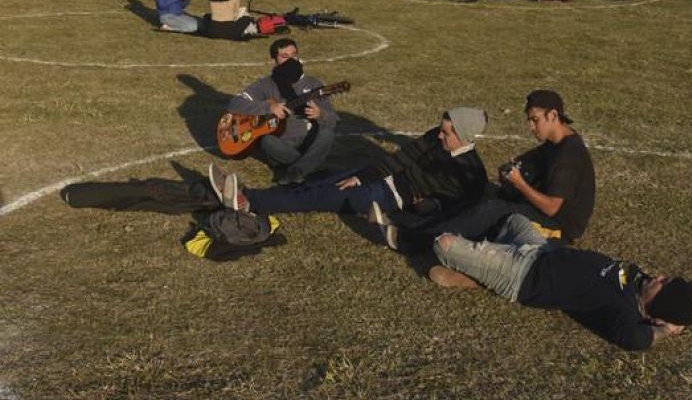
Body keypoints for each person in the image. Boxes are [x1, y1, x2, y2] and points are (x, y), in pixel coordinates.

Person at [428, 213, 692, 350]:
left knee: (444, 243)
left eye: (663, 284)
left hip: (521, 275)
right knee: (514, 219)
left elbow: (634, 340)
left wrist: (665, 330)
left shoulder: (622, 310)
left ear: (657, 305)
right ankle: (482, 265)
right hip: (542, 250)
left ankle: (476, 274)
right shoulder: (640, 282)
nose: (659, 277)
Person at [374, 89, 595, 250]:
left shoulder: (568, 155)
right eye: (529, 120)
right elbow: (529, 160)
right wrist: (512, 170)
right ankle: (403, 221)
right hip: (538, 211)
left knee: (490, 210)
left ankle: (409, 240)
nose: (530, 127)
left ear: (553, 116)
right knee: (478, 201)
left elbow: (553, 208)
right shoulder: (555, 143)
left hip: (557, 229)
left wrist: (520, 184)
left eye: (535, 120)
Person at [210, 107, 489, 218]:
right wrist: (364, 176)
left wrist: (429, 205)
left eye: (446, 133)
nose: (439, 135)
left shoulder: (471, 173)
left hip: (390, 196)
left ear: (464, 136)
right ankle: (247, 197)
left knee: (321, 195)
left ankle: (248, 202)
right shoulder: (434, 137)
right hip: (379, 176)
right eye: (441, 129)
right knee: (320, 180)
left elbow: (456, 207)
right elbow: (400, 158)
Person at [227, 38, 337, 184]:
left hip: (309, 143)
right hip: (281, 146)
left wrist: (321, 114)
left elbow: (333, 121)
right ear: (274, 61)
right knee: (266, 141)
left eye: (294, 55)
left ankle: (297, 171)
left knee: (327, 134)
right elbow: (234, 104)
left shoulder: (314, 84)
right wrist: (269, 107)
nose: (291, 60)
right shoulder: (265, 85)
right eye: (285, 56)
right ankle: (308, 165)